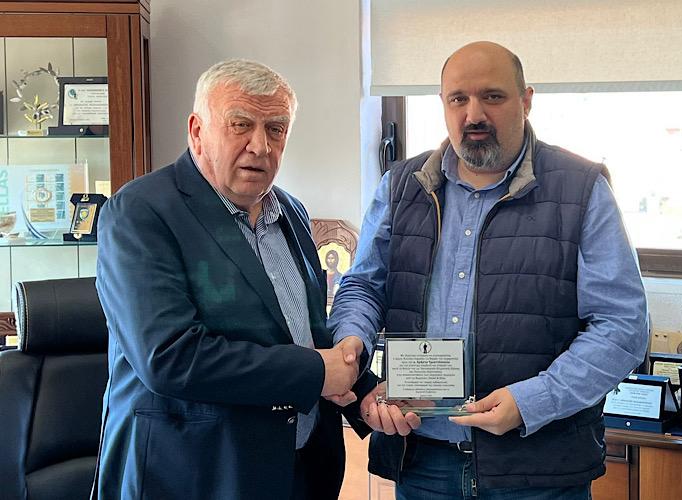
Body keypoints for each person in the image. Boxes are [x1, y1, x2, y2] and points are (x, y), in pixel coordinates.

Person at [329, 41, 649, 499]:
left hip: (537, 471)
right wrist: (352, 348)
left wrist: (531, 401)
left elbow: (622, 326)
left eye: (492, 96)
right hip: (421, 463)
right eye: (458, 98)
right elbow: (363, 286)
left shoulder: (582, 188)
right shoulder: (400, 186)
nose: (473, 114)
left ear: (526, 100)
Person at [94, 59, 372, 500]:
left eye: (276, 129)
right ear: (197, 131)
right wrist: (318, 372)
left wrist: (364, 390)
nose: (260, 146)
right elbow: (169, 356)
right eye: (241, 124)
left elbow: (305, 331)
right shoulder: (140, 212)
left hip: (299, 469)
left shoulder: (291, 211)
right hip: (197, 474)